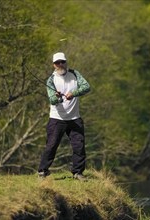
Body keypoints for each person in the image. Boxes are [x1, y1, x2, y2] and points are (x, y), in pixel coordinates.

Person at [38, 52, 90, 180]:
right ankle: (42, 171)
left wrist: (74, 93)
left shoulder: (75, 74)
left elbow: (87, 87)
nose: (60, 65)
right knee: (51, 145)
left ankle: (77, 172)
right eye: (57, 63)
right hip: (57, 119)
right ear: (53, 65)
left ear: (66, 62)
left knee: (79, 146)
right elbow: (51, 100)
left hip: (75, 118)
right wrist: (58, 98)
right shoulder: (51, 80)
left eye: (62, 62)